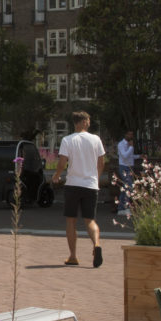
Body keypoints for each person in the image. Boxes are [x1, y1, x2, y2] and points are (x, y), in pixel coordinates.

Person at [57, 112, 106, 268]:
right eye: (89, 120)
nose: (90, 123)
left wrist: (56, 176)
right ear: (84, 122)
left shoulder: (67, 140)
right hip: (90, 185)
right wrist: (95, 179)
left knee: (71, 220)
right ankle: (96, 244)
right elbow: (101, 163)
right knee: (90, 220)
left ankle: (73, 256)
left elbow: (62, 162)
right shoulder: (96, 139)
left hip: (73, 184)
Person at [115, 130, 138, 217]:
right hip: (124, 167)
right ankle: (123, 207)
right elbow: (124, 156)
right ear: (125, 135)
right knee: (128, 186)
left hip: (129, 167)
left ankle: (123, 207)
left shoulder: (129, 145)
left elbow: (130, 156)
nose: (131, 136)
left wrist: (139, 156)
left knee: (127, 187)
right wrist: (131, 147)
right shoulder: (121, 144)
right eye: (129, 134)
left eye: (132, 134)